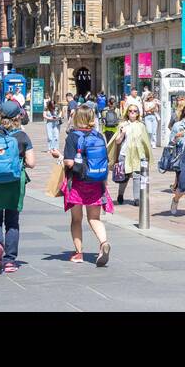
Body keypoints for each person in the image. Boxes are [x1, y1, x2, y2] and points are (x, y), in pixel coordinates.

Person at [0, 100, 37, 274]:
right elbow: (32, 163)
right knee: (12, 221)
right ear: (18, 116)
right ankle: (10, 261)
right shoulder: (22, 137)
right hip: (14, 183)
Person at [60, 103, 113, 265]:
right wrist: (104, 182)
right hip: (96, 182)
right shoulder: (98, 136)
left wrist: (59, 157)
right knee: (94, 218)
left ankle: (79, 253)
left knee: (76, 219)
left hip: (77, 182)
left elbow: (69, 162)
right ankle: (104, 242)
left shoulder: (73, 136)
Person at [109, 102, 152, 207]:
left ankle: (137, 198)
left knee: (137, 176)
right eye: (130, 111)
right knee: (124, 177)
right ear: (127, 113)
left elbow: (145, 142)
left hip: (138, 154)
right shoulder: (123, 125)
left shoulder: (141, 126)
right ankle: (120, 194)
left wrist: (146, 155)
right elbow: (117, 141)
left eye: (135, 111)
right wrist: (122, 133)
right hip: (124, 154)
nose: (133, 113)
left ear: (138, 113)